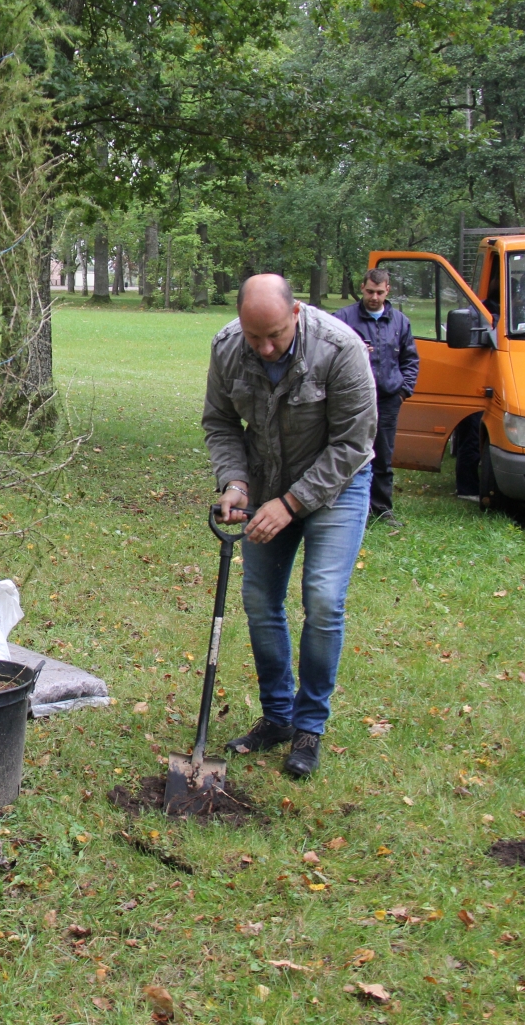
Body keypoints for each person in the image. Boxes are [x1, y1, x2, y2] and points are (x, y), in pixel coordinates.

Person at [202, 273, 377, 778]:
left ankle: (309, 726)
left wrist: (292, 503)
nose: (267, 346)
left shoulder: (341, 350)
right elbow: (219, 422)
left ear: (296, 312)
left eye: (276, 333)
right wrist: (235, 481)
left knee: (322, 598)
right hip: (265, 480)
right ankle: (278, 718)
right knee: (259, 599)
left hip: (338, 486)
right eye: (255, 336)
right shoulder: (229, 348)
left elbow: (352, 444)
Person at [332, 268, 419, 526]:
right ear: (362, 288)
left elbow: (410, 359)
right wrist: (356, 350)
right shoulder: (344, 318)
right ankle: (342, 505)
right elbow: (326, 353)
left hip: (388, 398)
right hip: (352, 398)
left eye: (380, 292)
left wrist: (404, 391)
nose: (374, 297)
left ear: (388, 290)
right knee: (346, 449)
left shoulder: (400, 322)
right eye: (370, 291)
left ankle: (381, 509)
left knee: (383, 454)